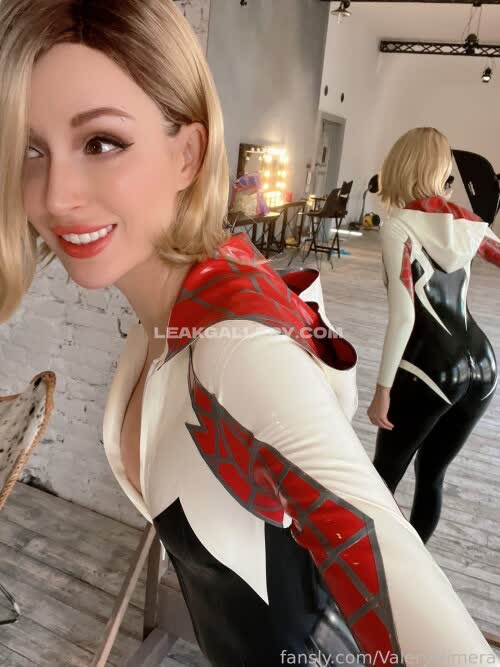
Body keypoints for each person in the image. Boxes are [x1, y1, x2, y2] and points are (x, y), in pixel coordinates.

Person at [0, 2, 497, 664]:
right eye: (30, 148)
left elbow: (444, 639)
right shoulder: (174, 311)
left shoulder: (237, 354)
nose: (55, 195)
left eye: (101, 142)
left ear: (188, 153)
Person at [368, 127, 500, 545]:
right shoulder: (470, 225)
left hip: (430, 367)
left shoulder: (398, 227)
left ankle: (377, 570)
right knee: (432, 477)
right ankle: (417, 568)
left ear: (399, 166)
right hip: (484, 365)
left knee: (382, 479)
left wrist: (382, 390)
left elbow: (404, 316)